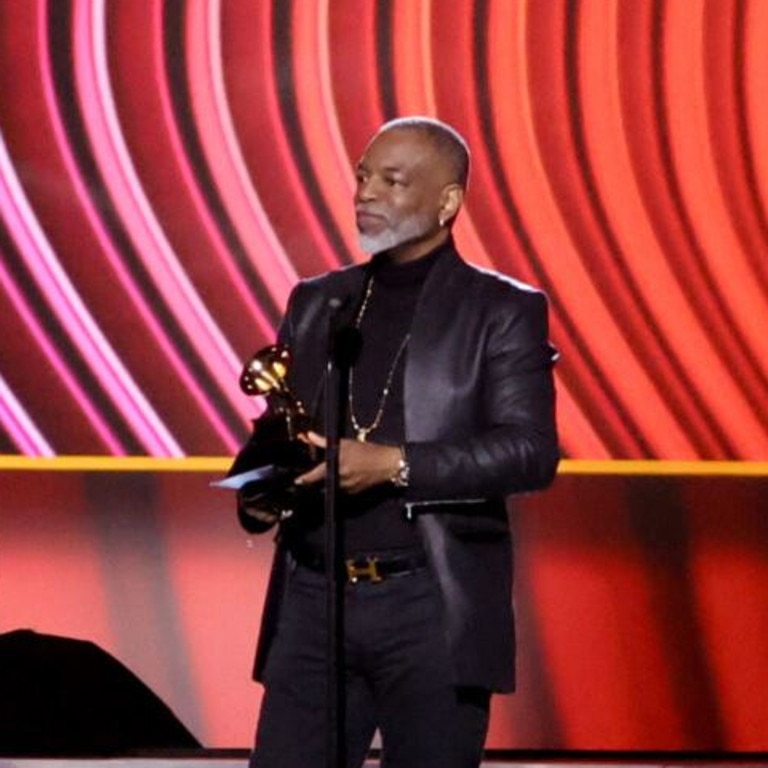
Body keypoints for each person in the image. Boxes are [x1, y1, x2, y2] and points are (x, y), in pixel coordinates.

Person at [234, 116, 559, 768]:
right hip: (312, 600)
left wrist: (395, 466)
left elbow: (530, 451)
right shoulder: (319, 301)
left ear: (447, 202)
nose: (366, 193)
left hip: (428, 605)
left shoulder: (499, 309)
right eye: (362, 176)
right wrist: (262, 492)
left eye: (392, 179)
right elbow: (281, 430)